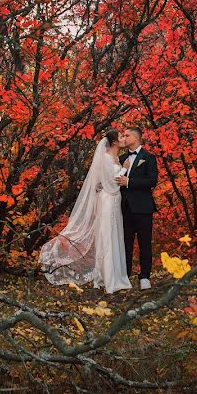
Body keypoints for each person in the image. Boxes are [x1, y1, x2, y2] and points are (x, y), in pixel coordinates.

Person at [39, 130, 132, 294]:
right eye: (121, 137)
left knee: (114, 235)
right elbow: (110, 182)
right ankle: (109, 280)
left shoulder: (116, 158)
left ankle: (112, 276)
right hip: (108, 200)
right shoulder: (105, 158)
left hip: (115, 201)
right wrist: (124, 170)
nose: (124, 139)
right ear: (114, 142)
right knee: (107, 237)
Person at [115, 126, 158, 289]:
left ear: (136, 138)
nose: (124, 138)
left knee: (144, 242)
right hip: (124, 208)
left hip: (143, 207)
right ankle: (125, 276)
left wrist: (130, 182)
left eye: (127, 135)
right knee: (125, 243)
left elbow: (152, 181)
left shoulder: (148, 157)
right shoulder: (122, 158)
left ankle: (145, 276)